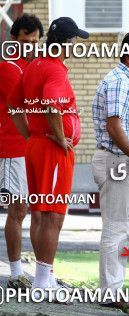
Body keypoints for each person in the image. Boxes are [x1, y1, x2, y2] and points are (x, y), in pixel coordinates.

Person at [7, 17, 88, 294]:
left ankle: (46, 276)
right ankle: (43, 281)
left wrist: (31, 135)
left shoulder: (35, 65)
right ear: (68, 44)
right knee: (53, 216)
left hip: (36, 147)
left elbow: (13, 104)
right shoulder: (54, 69)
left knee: (43, 213)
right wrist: (58, 137)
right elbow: (52, 105)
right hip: (52, 151)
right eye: (75, 42)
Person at [91, 30, 129, 309]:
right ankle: (112, 293)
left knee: (121, 228)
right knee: (117, 229)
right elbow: (114, 127)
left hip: (121, 162)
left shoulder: (127, 81)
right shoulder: (119, 82)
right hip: (117, 161)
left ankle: (113, 290)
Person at [0, 14, 43, 289]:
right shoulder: (8, 68)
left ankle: (40, 274)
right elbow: (24, 107)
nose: (31, 46)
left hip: (28, 148)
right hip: (11, 147)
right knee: (16, 210)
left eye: (35, 42)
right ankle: (15, 274)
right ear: (14, 39)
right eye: (26, 41)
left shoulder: (31, 67)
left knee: (28, 210)